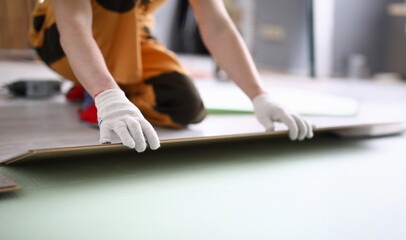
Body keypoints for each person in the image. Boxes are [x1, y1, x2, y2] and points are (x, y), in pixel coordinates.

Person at [29, 0, 314, 153]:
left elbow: (217, 26)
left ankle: (104, 84)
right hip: (61, 39)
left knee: (183, 105)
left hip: (132, 35)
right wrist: (108, 96)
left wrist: (260, 96)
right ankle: (96, 85)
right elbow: (74, 23)